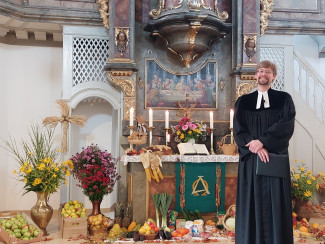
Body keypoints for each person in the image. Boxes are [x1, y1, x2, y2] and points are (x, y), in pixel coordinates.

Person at [233, 60, 295, 244]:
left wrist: (263, 142)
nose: (263, 74)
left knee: (275, 202)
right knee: (251, 202)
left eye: (267, 72)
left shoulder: (284, 99)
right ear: (255, 75)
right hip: (251, 160)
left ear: (273, 76)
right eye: (260, 71)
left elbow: (285, 126)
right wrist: (254, 146)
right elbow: (238, 129)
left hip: (273, 159)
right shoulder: (243, 102)